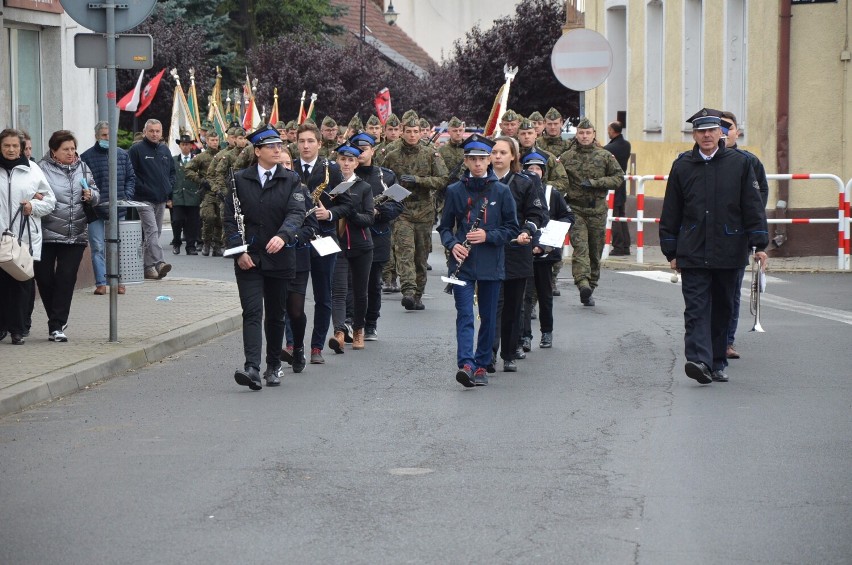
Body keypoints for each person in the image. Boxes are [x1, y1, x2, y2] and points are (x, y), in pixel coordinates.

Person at [659, 110, 768, 384]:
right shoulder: (682, 165)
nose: (706, 135)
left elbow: (752, 205)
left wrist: (759, 244)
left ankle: (718, 362)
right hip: (693, 247)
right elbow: (671, 209)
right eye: (701, 131)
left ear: (721, 133)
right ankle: (698, 361)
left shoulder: (741, 163)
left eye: (712, 130)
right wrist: (671, 250)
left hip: (729, 247)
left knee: (722, 308)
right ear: (694, 135)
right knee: (695, 308)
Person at [225, 125, 307, 390]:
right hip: (249, 258)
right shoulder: (239, 179)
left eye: (279, 145)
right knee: (251, 311)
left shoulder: (290, 179)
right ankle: (252, 367)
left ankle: (273, 366)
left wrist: (283, 236)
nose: (277, 149)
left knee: (275, 314)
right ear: (257, 150)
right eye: (271, 146)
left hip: (280, 256)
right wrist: (239, 251)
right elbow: (230, 220)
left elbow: (296, 213)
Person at [438, 134, 519, 388]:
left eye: (482, 159)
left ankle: (482, 363)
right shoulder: (454, 191)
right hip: (462, 264)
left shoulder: (502, 191)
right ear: (466, 161)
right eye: (472, 159)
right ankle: (466, 364)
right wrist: (452, 245)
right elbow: (444, 228)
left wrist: (487, 235)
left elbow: (512, 229)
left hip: (490, 262)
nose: (477, 164)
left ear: (489, 161)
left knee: (487, 315)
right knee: (464, 314)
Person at [489, 136, 547, 372]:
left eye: (503, 152)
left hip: (516, 250)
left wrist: (527, 231)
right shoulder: (483, 181)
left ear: (513, 156)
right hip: (490, 251)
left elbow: (537, 214)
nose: (498, 156)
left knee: (514, 305)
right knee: (493, 304)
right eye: (494, 152)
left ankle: (509, 353)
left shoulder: (525, 182)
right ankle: (488, 354)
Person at [36, 130, 99, 342]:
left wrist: (92, 195)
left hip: (75, 234)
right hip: (45, 233)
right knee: (44, 278)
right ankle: (55, 318)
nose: (71, 153)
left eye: (73, 148)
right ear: (54, 151)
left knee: (66, 278)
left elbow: (95, 192)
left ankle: (56, 325)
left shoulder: (83, 167)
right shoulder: (41, 169)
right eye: (66, 149)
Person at [382, 114, 449, 310]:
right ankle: (408, 291)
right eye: (408, 131)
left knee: (420, 257)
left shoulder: (430, 154)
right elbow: (382, 178)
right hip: (401, 210)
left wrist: (419, 180)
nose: (412, 135)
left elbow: (443, 179)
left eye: (416, 132)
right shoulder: (392, 155)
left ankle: (418, 294)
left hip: (425, 211)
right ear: (402, 132)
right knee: (404, 252)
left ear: (422, 133)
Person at [296, 122, 349, 364]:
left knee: (323, 294)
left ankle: (316, 347)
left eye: (310, 141)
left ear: (319, 144)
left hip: (325, 237)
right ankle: (292, 343)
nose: (305, 146)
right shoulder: (288, 166)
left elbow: (346, 204)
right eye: (301, 141)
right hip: (295, 238)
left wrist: (329, 214)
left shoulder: (333, 169)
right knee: (291, 294)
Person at [558, 118, 624, 306]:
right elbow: (558, 177)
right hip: (575, 208)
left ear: (594, 134)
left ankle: (591, 286)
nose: (584, 136)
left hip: (597, 209)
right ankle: (582, 283)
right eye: (581, 133)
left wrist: (596, 183)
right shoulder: (567, 157)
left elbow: (618, 178)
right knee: (581, 248)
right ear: (576, 135)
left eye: (588, 133)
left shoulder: (605, 156)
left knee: (595, 250)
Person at [720, 111, 770, 360]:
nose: (722, 131)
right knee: (703, 293)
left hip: (736, 237)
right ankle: (706, 338)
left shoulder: (749, 162)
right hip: (703, 239)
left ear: (736, 132)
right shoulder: (695, 160)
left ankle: (727, 341)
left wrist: (757, 239)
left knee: (730, 292)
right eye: (717, 127)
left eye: (727, 127)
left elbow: (758, 201)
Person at [0, 129, 55, 345]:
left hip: (24, 239)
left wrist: (33, 206)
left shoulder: (33, 170)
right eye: (7, 145)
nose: (11, 149)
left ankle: (19, 329)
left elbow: (50, 201)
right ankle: (2, 326)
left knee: (21, 284)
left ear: (22, 148)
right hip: (0, 238)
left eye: (15, 146)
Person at [351, 132, 404, 341]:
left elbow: (398, 203)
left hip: (376, 235)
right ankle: (349, 322)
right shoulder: (343, 173)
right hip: (350, 235)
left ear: (373, 150)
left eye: (364, 149)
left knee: (373, 283)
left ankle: (370, 322)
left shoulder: (386, 176)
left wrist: (379, 212)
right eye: (356, 149)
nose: (360, 153)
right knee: (348, 283)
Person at [520, 151, 574, 349]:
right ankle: (525, 335)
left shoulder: (552, 193)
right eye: (530, 168)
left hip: (546, 252)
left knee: (545, 294)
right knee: (524, 296)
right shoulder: (519, 190)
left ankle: (547, 332)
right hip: (524, 251)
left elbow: (568, 217)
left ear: (543, 172)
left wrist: (551, 238)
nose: (534, 172)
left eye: (537, 169)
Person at [327, 138, 375, 353]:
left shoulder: (363, 187)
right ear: (336, 161)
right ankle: (338, 332)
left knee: (359, 291)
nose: (346, 163)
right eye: (342, 159)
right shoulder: (329, 186)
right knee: (338, 290)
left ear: (357, 163)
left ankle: (358, 329)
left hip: (360, 246)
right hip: (336, 245)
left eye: (351, 160)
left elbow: (369, 219)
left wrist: (349, 211)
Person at [80, 121, 135, 295]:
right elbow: (83, 183)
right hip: (96, 210)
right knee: (98, 247)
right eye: (104, 135)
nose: (107, 138)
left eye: (110, 135)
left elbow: (131, 178)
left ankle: (120, 281)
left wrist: (125, 196)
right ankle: (101, 283)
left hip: (118, 209)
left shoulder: (122, 155)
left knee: (119, 247)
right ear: (97, 136)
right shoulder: (86, 157)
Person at [127, 119, 174, 279]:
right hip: (143, 199)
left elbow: (172, 172)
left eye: (157, 131)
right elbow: (130, 174)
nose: (154, 134)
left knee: (156, 233)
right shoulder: (136, 150)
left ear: (162, 133)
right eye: (151, 131)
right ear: (145, 131)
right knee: (152, 231)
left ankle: (147, 268)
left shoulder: (164, 150)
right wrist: (142, 188)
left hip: (160, 199)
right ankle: (159, 262)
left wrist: (169, 188)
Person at [207, 127, 248, 256]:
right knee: (227, 218)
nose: (242, 141)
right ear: (235, 140)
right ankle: (228, 244)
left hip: (245, 191)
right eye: (240, 138)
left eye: (244, 138)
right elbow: (218, 173)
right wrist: (223, 191)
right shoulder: (228, 156)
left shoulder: (250, 153)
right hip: (229, 192)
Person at [183, 129, 220, 257]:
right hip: (208, 192)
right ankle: (206, 242)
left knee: (220, 219)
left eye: (216, 140)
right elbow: (188, 170)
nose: (214, 142)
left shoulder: (223, 155)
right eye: (212, 140)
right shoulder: (201, 157)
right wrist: (201, 180)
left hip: (221, 191)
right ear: (207, 141)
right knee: (209, 217)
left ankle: (217, 245)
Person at [170, 134, 202, 255]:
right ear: (180, 146)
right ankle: (176, 242)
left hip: (193, 195)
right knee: (177, 220)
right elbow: (170, 178)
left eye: (187, 144)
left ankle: (190, 246)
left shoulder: (196, 159)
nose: (185, 147)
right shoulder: (174, 160)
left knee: (192, 222)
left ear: (191, 145)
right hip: (178, 195)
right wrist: (169, 197)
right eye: (183, 144)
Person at [603, 121, 632, 256]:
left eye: (609, 130)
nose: (608, 132)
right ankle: (626, 245)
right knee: (621, 215)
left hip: (613, 186)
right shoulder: (626, 145)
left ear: (613, 131)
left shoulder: (609, 148)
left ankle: (618, 246)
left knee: (614, 216)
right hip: (622, 184)